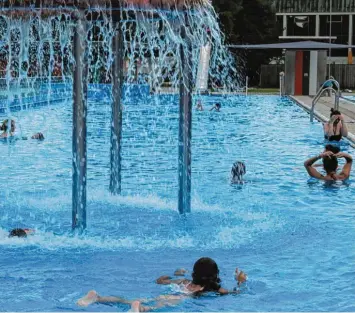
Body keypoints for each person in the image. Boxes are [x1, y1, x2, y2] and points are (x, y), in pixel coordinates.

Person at [77, 257, 247, 312]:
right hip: (179, 299)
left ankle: (97, 297)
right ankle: (140, 309)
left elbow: (160, 281)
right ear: (213, 275)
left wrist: (171, 275)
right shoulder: (212, 288)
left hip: (174, 291)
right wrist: (240, 282)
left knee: (131, 300)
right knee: (152, 307)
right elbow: (233, 293)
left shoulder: (185, 281)